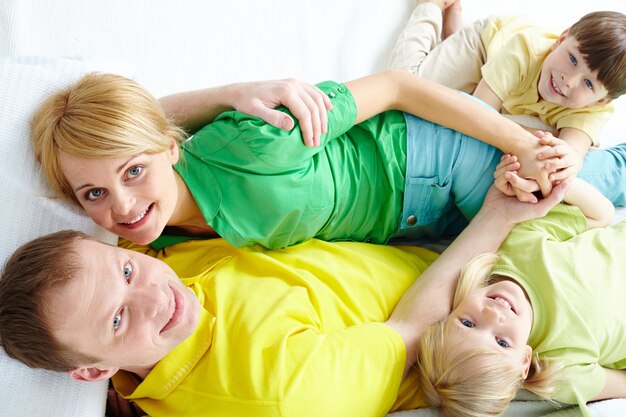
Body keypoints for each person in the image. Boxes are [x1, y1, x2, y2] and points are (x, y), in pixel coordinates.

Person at [0, 184, 571, 417]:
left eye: (126, 269)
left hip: (422, 239)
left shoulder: (147, 276)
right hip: (485, 310)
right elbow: (413, 330)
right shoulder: (274, 388)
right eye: (119, 318)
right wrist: (500, 212)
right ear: (94, 370)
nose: (151, 294)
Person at [31, 70, 622, 251]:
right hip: (418, 227)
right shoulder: (149, 244)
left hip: (432, 158)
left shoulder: (254, 139)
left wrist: (519, 143)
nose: (124, 206)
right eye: (94, 194)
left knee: (606, 183)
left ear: (167, 145)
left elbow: (396, 87)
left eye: (133, 172)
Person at [410, 162, 625, 417]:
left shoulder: (515, 249)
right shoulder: (565, 370)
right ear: (524, 361)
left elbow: (602, 215)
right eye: (501, 342)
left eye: (467, 323)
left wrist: (556, 182)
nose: (493, 315)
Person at [387, 0, 626, 185]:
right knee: (411, 87)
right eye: (573, 58)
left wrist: (565, 150)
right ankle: (432, 6)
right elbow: (474, 116)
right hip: (484, 45)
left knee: (452, 100)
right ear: (561, 39)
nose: (570, 80)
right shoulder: (524, 49)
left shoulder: (595, 110)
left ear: (600, 100)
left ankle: (453, 34)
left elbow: (566, 160)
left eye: (588, 84)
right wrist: (544, 133)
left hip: (500, 94)